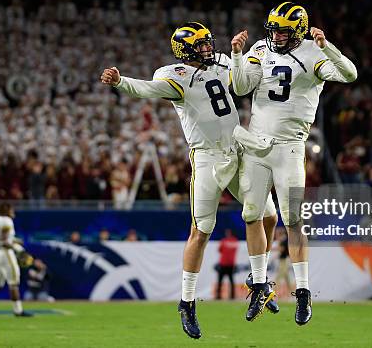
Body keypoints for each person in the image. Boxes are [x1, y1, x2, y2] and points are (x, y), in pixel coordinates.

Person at [100, 21, 279, 339]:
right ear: (185, 50)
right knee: (201, 231)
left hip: (237, 148)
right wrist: (121, 82)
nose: (209, 48)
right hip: (208, 157)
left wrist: (247, 54)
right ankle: (187, 302)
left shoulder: (223, 61)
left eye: (209, 42)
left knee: (268, 215)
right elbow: (147, 89)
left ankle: (258, 279)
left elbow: (244, 80)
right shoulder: (175, 77)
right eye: (201, 45)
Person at [230, 2, 357, 324]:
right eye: (273, 29)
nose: (276, 36)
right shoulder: (260, 47)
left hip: (289, 148)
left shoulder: (314, 53)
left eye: (283, 31)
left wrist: (327, 47)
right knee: (251, 214)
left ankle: (303, 292)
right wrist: (236, 56)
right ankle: (259, 283)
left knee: (294, 219)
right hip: (256, 144)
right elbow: (241, 87)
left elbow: (349, 73)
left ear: (299, 30)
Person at [215, 229, 238, 300]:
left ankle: (220, 296)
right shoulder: (235, 241)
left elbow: (220, 250)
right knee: (229, 281)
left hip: (226, 264)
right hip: (228, 264)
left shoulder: (224, 241)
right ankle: (231, 296)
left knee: (221, 281)